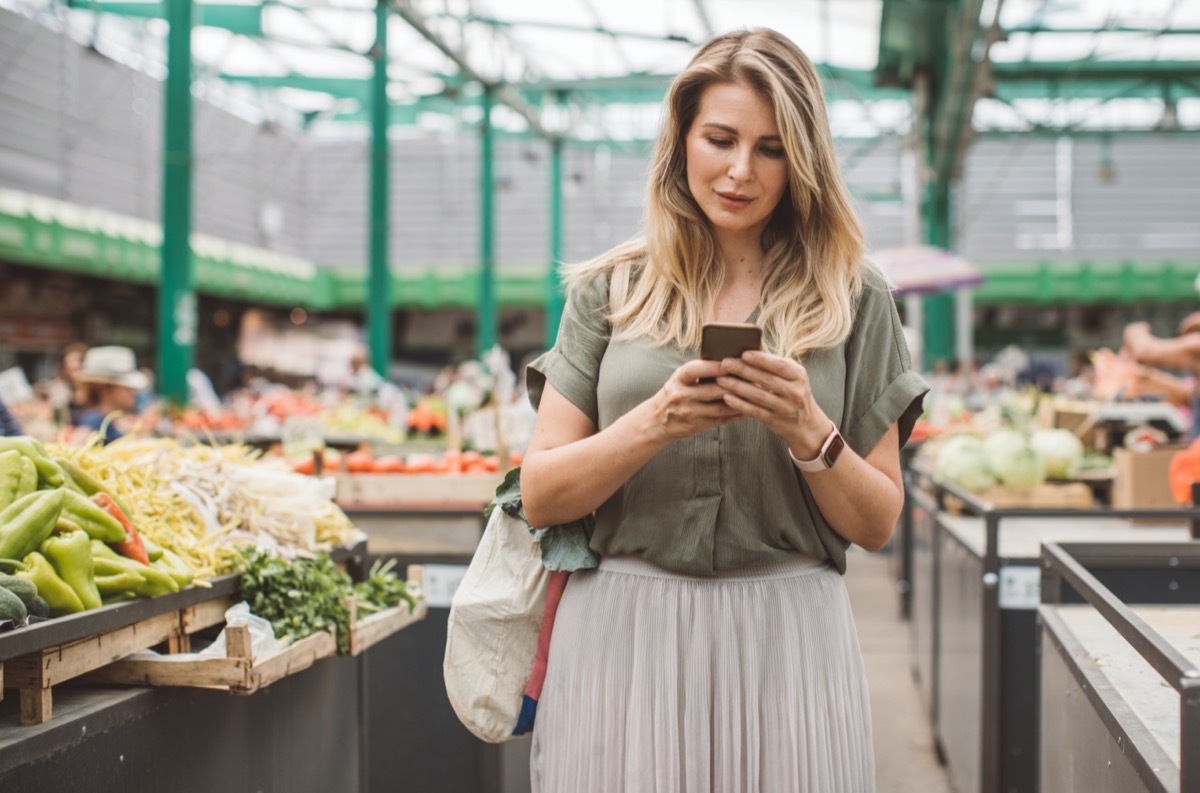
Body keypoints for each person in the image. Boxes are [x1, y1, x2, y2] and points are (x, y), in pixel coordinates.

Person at [519, 29, 928, 793]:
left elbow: (876, 522)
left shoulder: (855, 295)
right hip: (623, 636)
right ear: (681, 141)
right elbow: (541, 492)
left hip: (788, 637)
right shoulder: (609, 290)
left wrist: (809, 429)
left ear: (801, 160)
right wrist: (655, 421)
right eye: (720, 139)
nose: (741, 171)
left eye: (771, 149)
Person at [73, 345, 149, 444]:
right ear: (105, 389)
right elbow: (75, 444)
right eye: (127, 388)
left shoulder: (107, 420)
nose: (133, 392)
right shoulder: (95, 419)